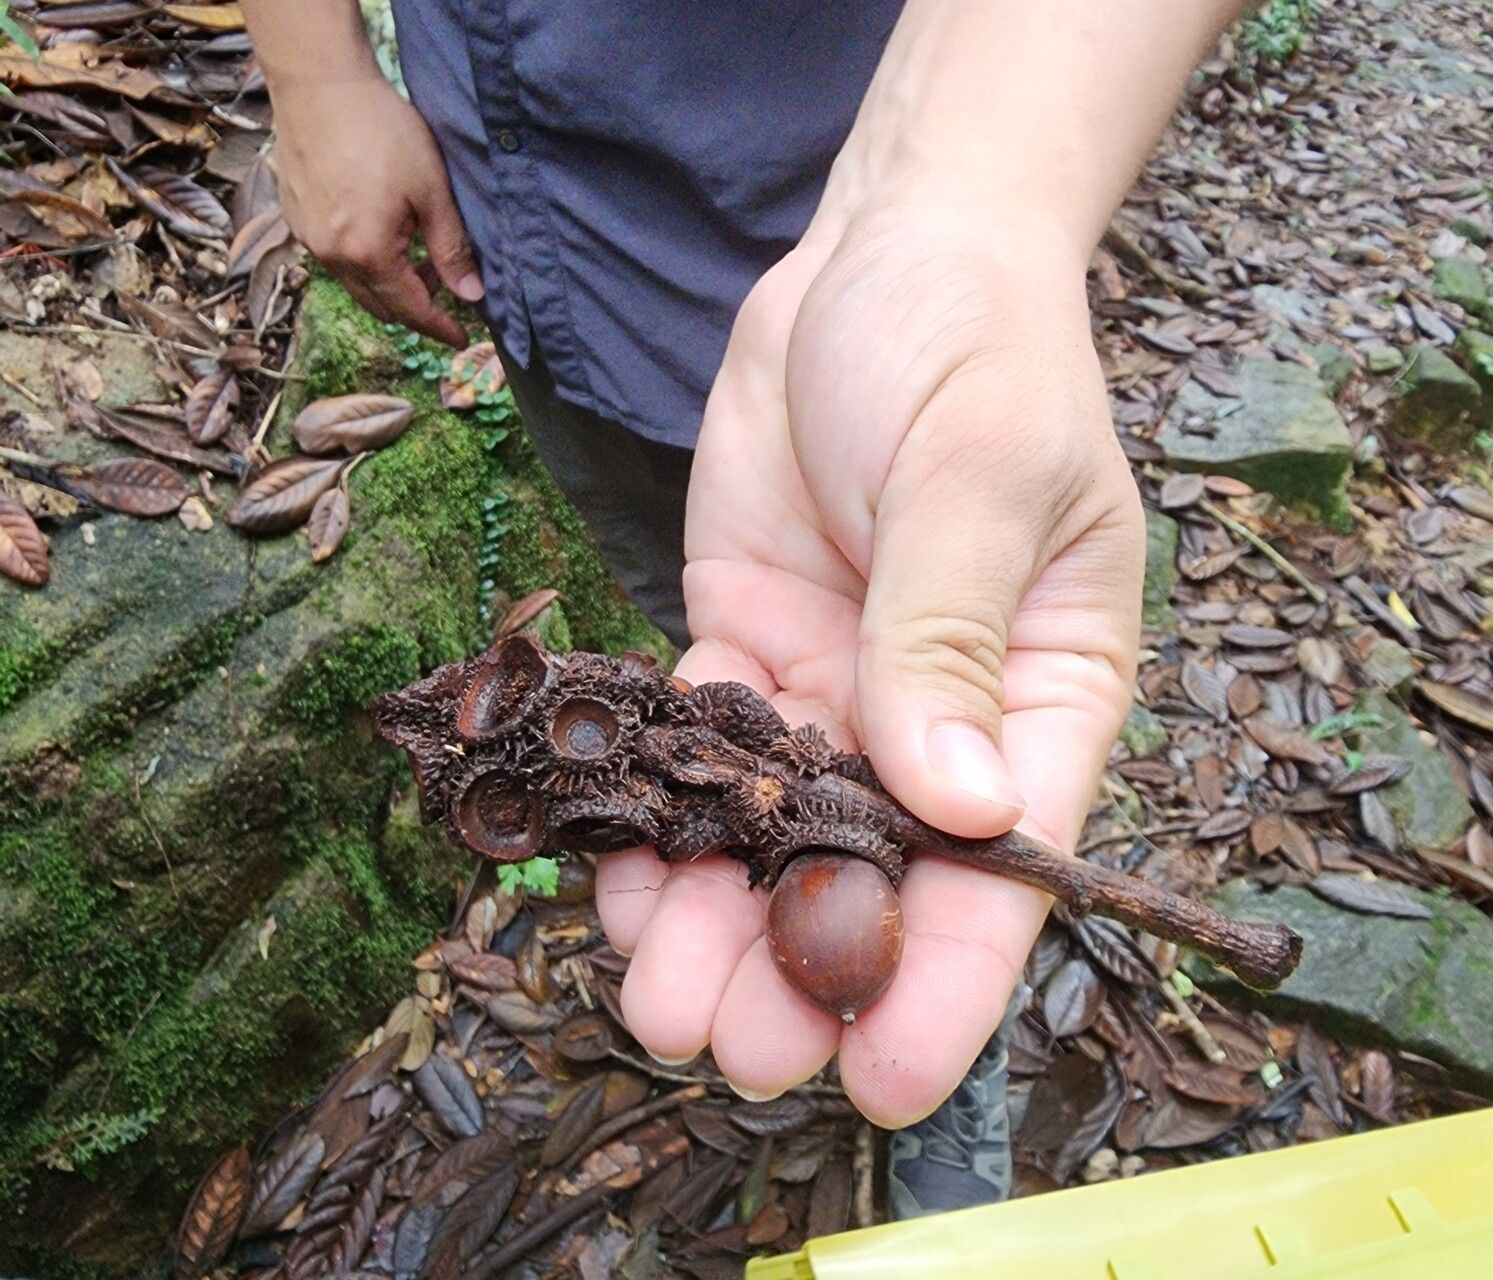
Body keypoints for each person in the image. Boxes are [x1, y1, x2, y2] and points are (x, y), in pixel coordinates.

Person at [246, 0, 1243, 1216]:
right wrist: (313, 67)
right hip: (548, 257)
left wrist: (967, 197)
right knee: (710, 619)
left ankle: (954, 1012)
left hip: (835, 233)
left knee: (905, 740)